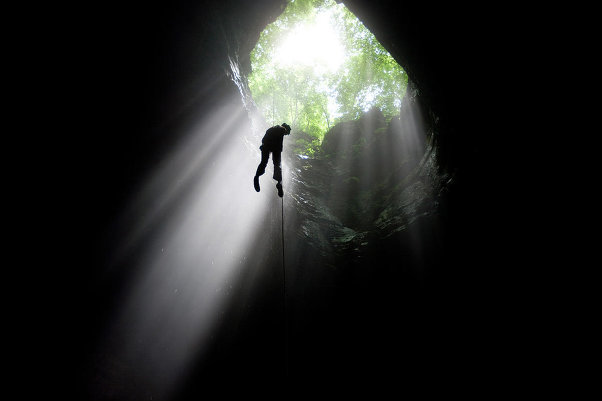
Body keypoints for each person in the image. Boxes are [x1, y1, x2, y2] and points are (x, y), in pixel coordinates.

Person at [254, 123, 291, 197]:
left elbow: (264, 139)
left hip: (266, 146)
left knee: (263, 162)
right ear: (286, 129)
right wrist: (278, 153)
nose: (285, 135)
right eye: (286, 133)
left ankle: (256, 177)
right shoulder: (282, 129)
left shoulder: (273, 128)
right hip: (273, 147)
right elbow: (279, 145)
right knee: (277, 166)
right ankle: (279, 183)